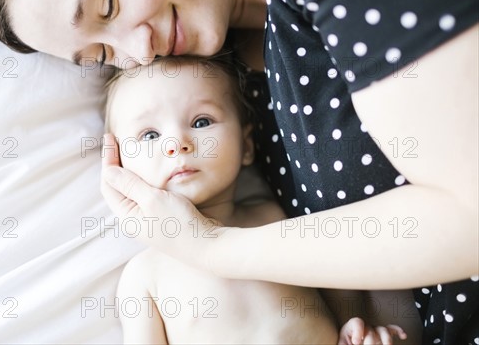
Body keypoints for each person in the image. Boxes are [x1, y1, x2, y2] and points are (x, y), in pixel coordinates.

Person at [0, 0, 478, 343]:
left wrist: (212, 248)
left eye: (110, 0)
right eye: (101, 54)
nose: (138, 49)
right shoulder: (233, 76)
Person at [104, 54, 413, 344]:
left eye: (201, 122)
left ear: (247, 144)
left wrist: (354, 330)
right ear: (117, 164)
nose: (177, 144)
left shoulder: (274, 217)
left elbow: (339, 286)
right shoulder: (144, 276)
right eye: (149, 135)